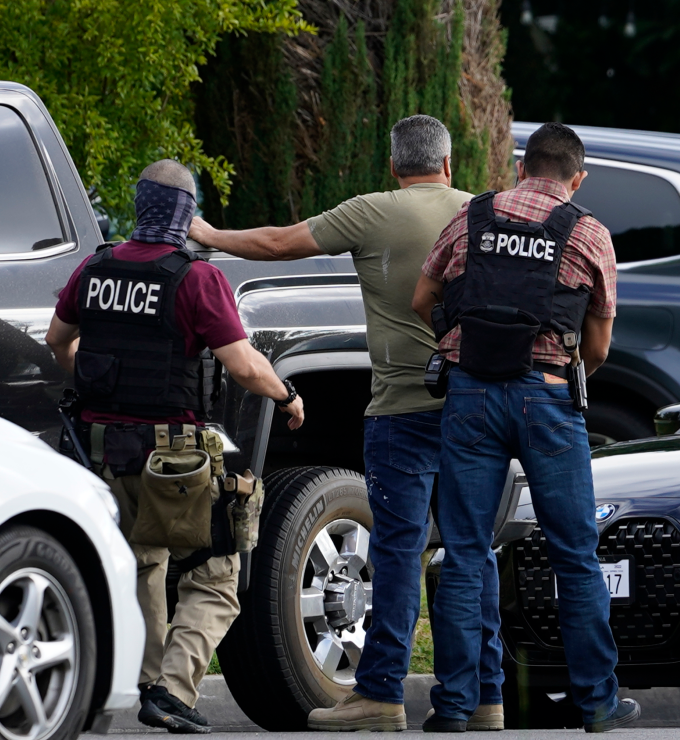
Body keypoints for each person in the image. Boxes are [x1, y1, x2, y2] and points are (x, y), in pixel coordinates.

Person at [189, 115, 505, 732]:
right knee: (472, 552)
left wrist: (208, 232)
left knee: (396, 551)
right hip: (474, 410)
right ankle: (484, 698)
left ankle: (382, 694)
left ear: (393, 167)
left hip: (400, 411)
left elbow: (280, 244)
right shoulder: (480, 212)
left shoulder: (372, 211)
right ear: (447, 165)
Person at [45, 160, 304, 735]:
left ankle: (146, 682)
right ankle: (174, 689)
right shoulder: (196, 278)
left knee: (144, 563)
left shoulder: (96, 266)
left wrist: (91, 380)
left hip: (102, 452)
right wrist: (286, 395)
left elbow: (58, 341)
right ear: (187, 215)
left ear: (139, 206)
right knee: (216, 573)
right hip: (173, 460)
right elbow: (241, 365)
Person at [410, 122, 641, 733]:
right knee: (575, 556)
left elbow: (421, 298)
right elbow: (599, 344)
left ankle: (456, 706)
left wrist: (464, 347)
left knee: (463, 553)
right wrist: (559, 372)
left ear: (520, 168)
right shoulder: (588, 232)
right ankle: (596, 703)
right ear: (577, 177)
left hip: (470, 398)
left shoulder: (471, 220)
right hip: (548, 401)